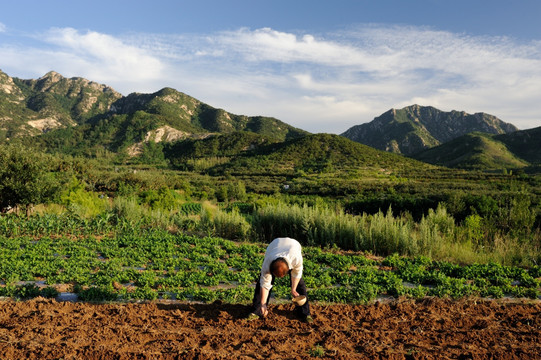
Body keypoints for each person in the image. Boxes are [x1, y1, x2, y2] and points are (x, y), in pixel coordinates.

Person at [247, 237, 313, 323]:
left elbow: (296, 274)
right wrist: (263, 303)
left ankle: (305, 313)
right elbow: (264, 284)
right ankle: (257, 310)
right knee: (261, 283)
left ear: (288, 270)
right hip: (274, 245)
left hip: (293, 245)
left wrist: (293, 289)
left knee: (299, 284)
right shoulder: (267, 264)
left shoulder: (296, 259)